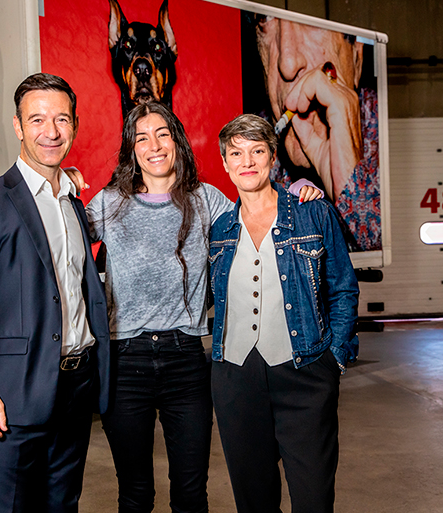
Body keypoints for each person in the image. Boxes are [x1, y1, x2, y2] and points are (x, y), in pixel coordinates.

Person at [84, 102, 321, 513]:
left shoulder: (206, 199)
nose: (154, 146)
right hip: (126, 362)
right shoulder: (109, 203)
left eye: (162, 134)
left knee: (191, 493)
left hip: (186, 361)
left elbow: (259, 216)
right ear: (131, 148)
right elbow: (61, 234)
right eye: (142, 137)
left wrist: (296, 191)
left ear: (177, 141)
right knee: (135, 493)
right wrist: (60, 184)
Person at [0, 73, 110, 513]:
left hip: (74, 387)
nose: (50, 131)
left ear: (74, 126)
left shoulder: (74, 203)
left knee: (62, 504)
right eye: (37, 119)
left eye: (61, 119)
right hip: (11, 393)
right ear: (17, 126)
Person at [209, 114, 359, 513]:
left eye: (257, 151)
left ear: (272, 157)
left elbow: (342, 288)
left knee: (313, 498)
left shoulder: (311, 213)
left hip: (305, 372)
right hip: (236, 378)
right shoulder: (219, 228)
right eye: (236, 153)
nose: (247, 161)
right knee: (254, 501)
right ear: (225, 164)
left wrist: (335, 358)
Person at [254, 15, 381, 251]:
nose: (287, 63)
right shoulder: (248, 150)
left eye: (312, 20)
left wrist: (351, 191)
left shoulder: (395, 139)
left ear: (356, 54)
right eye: (265, 19)